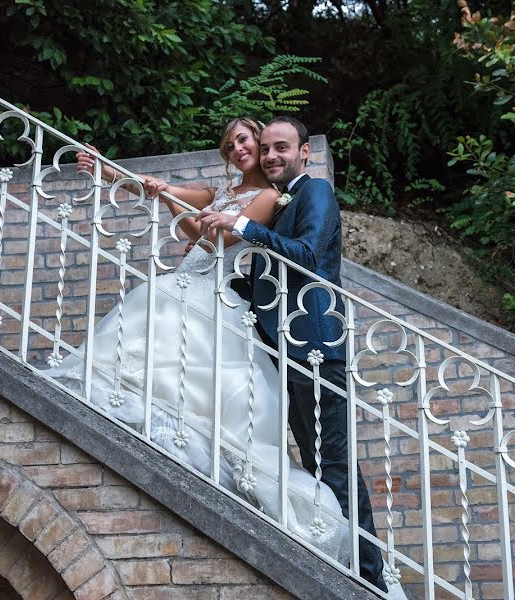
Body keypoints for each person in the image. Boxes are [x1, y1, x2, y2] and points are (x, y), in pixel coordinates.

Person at [48, 117, 351, 562]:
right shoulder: (220, 194)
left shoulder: (271, 196)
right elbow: (173, 201)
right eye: (231, 145)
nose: (241, 149)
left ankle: (359, 558)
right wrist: (111, 173)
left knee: (309, 441)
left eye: (246, 140)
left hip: (227, 294)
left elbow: (217, 238)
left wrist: (191, 215)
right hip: (194, 279)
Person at [197, 116, 390, 593]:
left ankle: (370, 578)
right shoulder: (283, 202)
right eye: (266, 149)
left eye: (281, 148)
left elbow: (304, 254)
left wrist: (244, 227)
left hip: (315, 344)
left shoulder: (315, 192)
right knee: (315, 457)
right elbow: (272, 275)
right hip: (285, 342)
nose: (270, 157)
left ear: (305, 152)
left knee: (335, 461)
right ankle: (343, 561)